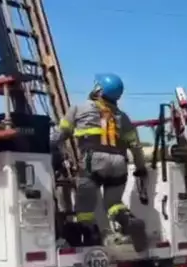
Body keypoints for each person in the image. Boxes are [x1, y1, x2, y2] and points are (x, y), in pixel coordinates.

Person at [50, 73, 149, 251]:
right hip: (119, 162)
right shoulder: (123, 117)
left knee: (85, 208)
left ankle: (90, 240)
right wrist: (141, 168)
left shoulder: (78, 108)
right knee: (113, 204)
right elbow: (135, 147)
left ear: (98, 89)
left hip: (93, 161)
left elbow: (60, 135)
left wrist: (42, 146)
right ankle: (130, 222)